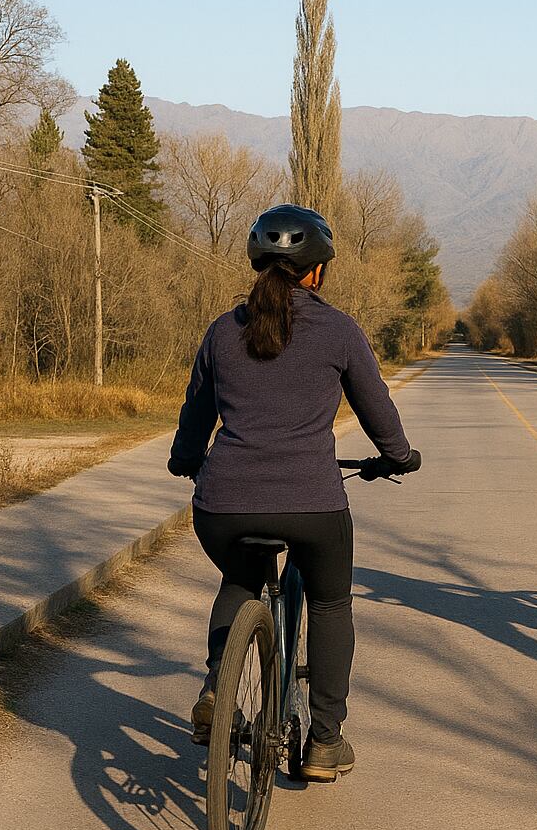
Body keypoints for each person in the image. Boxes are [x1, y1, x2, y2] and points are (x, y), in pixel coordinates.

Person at [168, 204, 421, 782]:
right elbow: (379, 412)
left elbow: (194, 419)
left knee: (240, 579)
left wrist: (185, 462)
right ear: (317, 271)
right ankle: (324, 742)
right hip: (311, 502)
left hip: (223, 504)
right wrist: (397, 457)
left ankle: (216, 688)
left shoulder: (222, 331)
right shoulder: (338, 331)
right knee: (330, 603)